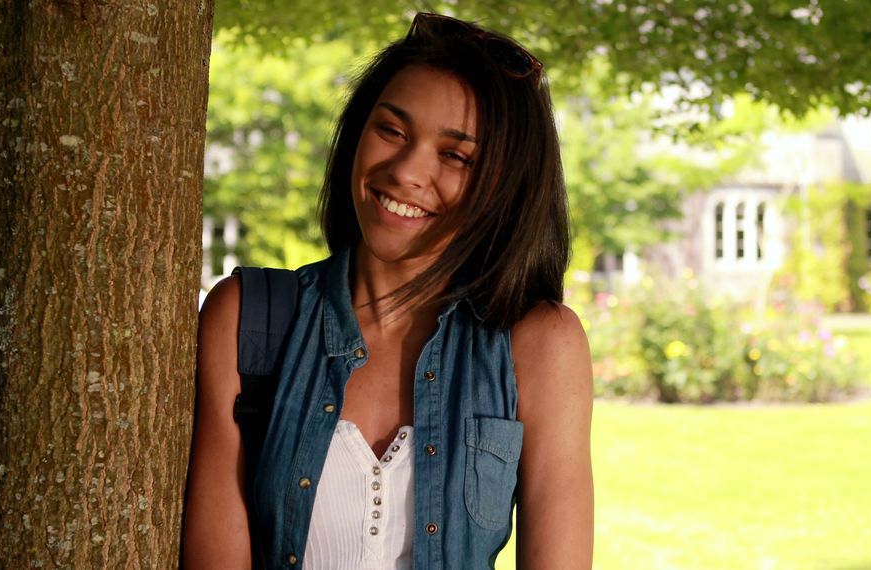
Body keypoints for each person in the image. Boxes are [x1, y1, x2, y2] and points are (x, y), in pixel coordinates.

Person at [182, 12, 594, 570]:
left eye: (455, 156)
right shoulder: (249, 318)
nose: (405, 171)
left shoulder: (540, 343)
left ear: (504, 183)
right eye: (392, 131)